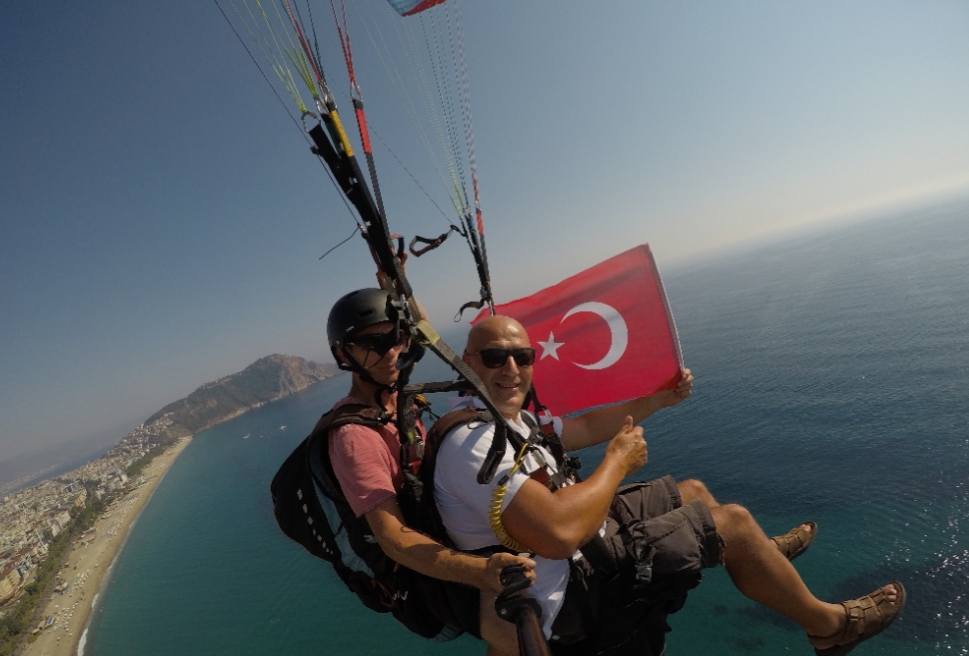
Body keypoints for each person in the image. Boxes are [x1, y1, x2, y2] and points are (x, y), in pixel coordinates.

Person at [431, 315, 905, 656]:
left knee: (693, 490)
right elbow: (558, 535)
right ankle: (831, 627)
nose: (511, 368)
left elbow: (587, 426)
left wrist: (658, 399)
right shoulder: (474, 442)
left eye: (522, 356)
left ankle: (757, 557)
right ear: (468, 362)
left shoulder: (514, 419)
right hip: (569, 589)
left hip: (581, 548)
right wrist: (617, 462)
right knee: (734, 523)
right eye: (495, 357)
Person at [321, 287, 535, 642]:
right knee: (530, 635)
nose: (392, 352)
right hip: (424, 572)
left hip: (448, 536)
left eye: (397, 338)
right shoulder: (355, 437)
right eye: (373, 343)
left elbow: (424, 330)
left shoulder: (395, 395)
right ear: (344, 354)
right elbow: (393, 539)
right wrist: (481, 571)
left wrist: (395, 284)